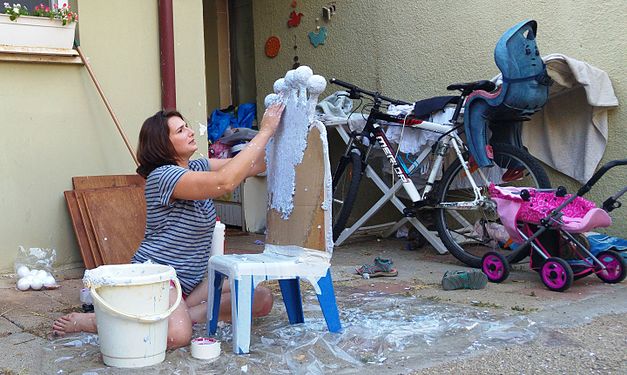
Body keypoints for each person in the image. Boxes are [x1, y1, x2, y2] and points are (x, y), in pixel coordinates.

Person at [53, 103, 285, 349]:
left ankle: (178, 313)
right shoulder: (163, 176)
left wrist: (285, 132)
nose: (190, 132)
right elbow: (224, 183)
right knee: (178, 336)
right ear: (163, 145)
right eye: (181, 131)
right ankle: (96, 321)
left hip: (190, 283)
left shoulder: (196, 167)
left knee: (261, 300)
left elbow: (254, 166)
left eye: (186, 127)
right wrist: (265, 131)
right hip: (159, 278)